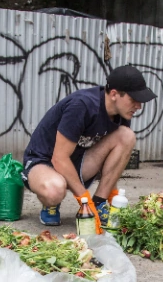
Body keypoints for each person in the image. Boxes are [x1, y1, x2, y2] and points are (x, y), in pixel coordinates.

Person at [22, 65, 154, 227]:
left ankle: (99, 204)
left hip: (76, 162)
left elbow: (112, 161)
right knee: (55, 190)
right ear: (114, 94)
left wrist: (112, 195)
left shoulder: (121, 113)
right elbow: (59, 158)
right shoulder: (82, 106)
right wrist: (84, 201)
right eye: (133, 99)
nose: (138, 106)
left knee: (126, 136)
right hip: (43, 162)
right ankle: (51, 205)